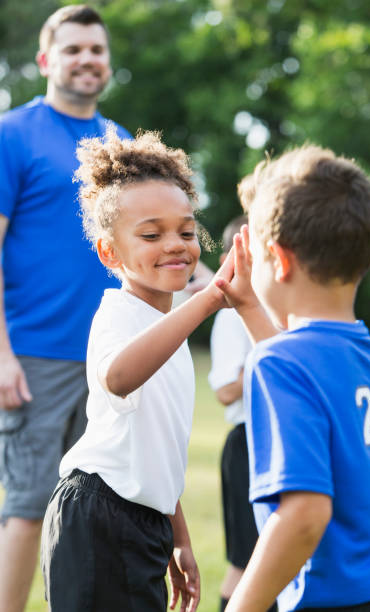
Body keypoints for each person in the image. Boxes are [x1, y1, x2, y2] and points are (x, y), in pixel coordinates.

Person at [40, 126, 237, 611]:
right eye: (151, 234)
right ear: (110, 252)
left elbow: (159, 451)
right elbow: (118, 377)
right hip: (98, 517)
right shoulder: (118, 315)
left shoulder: (166, 330)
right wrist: (209, 299)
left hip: (142, 521)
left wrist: (178, 537)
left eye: (187, 231)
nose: (176, 244)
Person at [214, 145, 370, 611]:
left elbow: (304, 515)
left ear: (278, 261)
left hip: (332, 597)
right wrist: (247, 307)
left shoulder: (278, 364)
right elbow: (301, 368)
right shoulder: (369, 352)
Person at [0, 6, 132, 611]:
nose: (87, 59)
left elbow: (150, 246)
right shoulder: (12, 134)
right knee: (28, 511)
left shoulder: (122, 145)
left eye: (97, 50)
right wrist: (2, 356)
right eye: (74, 48)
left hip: (112, 358)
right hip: (33, 356)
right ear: (46, 59)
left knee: (94, 515)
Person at [209, 214, 277, 612]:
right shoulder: (229, 317)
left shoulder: (284, 308)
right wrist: (268, 353)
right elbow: (224, 390)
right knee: (246, 559)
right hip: (248, 442)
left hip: (282, 439)